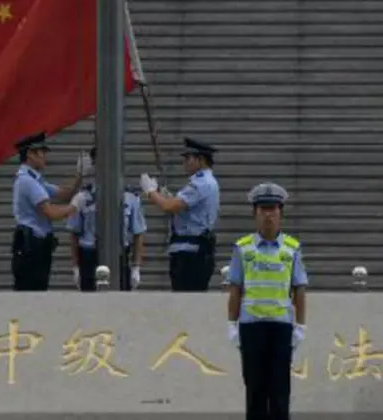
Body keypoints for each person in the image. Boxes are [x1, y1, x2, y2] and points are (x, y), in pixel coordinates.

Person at [226, 182, 308, 420]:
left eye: (273, 209)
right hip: (251, 327)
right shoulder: (243, 249)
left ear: (281, 212)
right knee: (255, 391)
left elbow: (299, 290)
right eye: (263, 210)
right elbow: (235, 289)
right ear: (255, 213)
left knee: (280, 391)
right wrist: (231, 324)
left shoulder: (292, 249)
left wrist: (300, 327)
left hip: (281, 328)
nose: (268, 215)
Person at [11, 132, 91, 291]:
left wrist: (79, 176)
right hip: (31, 247)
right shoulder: (27, 181)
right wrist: (74, 207)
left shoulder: (36, 179)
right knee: (31, 293)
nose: (44, 157)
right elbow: (51, 213)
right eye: (41, 152)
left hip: (36, 246)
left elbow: (63, 194)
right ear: (30, 154)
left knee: (39, 289)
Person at [139, 138, 219, 291]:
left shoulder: (201, 183)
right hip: (189, 250)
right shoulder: (203, 182)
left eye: (188, 158)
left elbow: (169, 207)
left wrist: (150, 192)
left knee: (187, 301)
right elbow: (181, 207)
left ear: (200, 160)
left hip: (191, 254)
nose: (185, 163)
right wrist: (164, 194)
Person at [67, 147, 147, 291]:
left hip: (119, 256)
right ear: (94, 164)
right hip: (89, 257)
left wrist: (136, 266)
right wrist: (75, 266)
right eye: (101, 162)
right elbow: (74, 233)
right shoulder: (82, 197)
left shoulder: (130, 197)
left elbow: (138, 233)